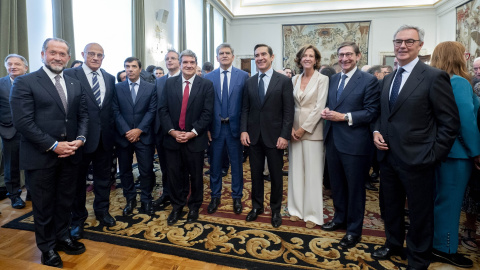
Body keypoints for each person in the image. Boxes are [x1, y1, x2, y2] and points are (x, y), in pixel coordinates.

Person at [373, 25, 460, 270]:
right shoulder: (389, 77)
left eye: (409, 42)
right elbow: (383, 114)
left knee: (420, 213)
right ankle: (392, 244)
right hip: (387, 158)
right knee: (389, 206)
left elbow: (449, 122)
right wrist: (377, 131)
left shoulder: (433, 76)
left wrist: (434, 155)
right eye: (398, 41)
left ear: (420, 46)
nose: (402, 46)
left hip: (419, 160)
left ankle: (418, 257)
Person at [10, 37, 89, 267]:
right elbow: (23, 122)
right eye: (53, 52)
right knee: (44, 206)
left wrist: (80, 140)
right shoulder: (25, 82)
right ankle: (47, 248)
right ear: (43, 54)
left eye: (63, 54)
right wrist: (54, 145)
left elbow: (83, 114)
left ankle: (63, 237)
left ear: (68, 57)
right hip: (41, 155)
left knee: (65, 200)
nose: (58, 57)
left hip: (71, 154)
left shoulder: (74, 82)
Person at [320, 41, 380, 248]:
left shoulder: (369, 80)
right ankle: (339, 219)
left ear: (358, 56)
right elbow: (331, 104)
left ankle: (354, 231)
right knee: (336, 185)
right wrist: (326, 112)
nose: (344, 59)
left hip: (355, 144)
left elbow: (372, 111)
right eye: (341, 55)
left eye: (348, 55)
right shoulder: (333, 79)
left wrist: (344, 116)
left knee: (355, 189)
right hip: (332, 141)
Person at [429, 41, 480, 268]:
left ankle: (434, 241)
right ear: (457, 56)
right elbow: (465, 121)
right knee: (450, 203)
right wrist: (476, 152)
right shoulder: (458, 82)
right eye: (463, 53)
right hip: (457, 153)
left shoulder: (431, 79)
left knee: (438, 199)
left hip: (435, 150)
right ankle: (444, 248)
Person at [63, 43, 117, 240]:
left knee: (104, 179)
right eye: (91, 54)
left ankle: (102, 212)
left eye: (99, 55)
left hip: (105, 139)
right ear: (83, 55)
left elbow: (110, 109)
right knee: (78, 182)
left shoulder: (110, 78)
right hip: (80, 139)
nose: (95, 58)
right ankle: (78, 218)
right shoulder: (70, 75)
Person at [241, 44, 294, 228]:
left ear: (272, 57)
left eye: (264, 54)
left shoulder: (284, 81)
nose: (260, 58)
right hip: (254, 137)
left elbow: (288, 111)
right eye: (257, 55)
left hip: (275, 137)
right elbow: (245, 109)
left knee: (276, 176)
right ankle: (256, 207)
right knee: (255, 174)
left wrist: (285, 135)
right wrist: (243, 130)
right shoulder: (249, 82)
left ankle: (276, 210)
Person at [159, 49, 214, 226]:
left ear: (196, 64)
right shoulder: (169, 84)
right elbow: (163, 110)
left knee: (196, 176)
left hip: (195, 140)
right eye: (185, 62)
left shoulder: (205, 85)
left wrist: (193, 132)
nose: (189, 65)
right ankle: (177, 206)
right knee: (175, 175)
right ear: (180, 64)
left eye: (192, 62)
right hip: (172, 139)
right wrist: (172, 131)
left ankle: (194, 206)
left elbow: (207, 113)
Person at [205, 43, 249, 215]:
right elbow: (206, 106)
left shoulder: (243, 76)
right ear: (217, 57)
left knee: (236, 165)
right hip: (215, 129)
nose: (224, 56)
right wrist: (207, 128)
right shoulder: (209, 78)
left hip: (235, 129)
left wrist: (245, 129)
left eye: (227, 53)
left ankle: (237, 197)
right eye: (221, 53)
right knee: (214, 165)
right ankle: (215, 196)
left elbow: (246, 106)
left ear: (233, 56)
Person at [287, 44, 328, 228]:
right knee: (295, 171)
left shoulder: (323, 79)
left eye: (311, 56)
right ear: (299, 59)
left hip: (312, 131)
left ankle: (312, 214)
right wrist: (289, 128)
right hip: (293, 131)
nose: (307, 58)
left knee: (312, 173)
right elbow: (289, 105)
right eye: (304, 55)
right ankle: (296, 209)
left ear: (316, 59)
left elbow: (319, 107)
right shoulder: (294, 79)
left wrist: (303, 128)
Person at [113, 57, 157, 216]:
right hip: (123, 137)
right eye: (127, 66)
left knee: (146, 171)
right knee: (125, 171)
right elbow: (115, 111)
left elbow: (152, 111)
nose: (130, 69)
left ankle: (146, 199)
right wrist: (127, 131)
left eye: (133, 66)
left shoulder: (151, 88)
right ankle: (130, 199)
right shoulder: (117, 88)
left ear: (140, 69)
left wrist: (138, 130)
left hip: (144, 136)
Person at [152, 49, 181, 209]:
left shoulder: (186, 79)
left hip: (178, 131)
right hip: (161, 132)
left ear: (179, 61)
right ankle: (167, 193)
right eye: (167, 58)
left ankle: (180, 194)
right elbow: (156, 106)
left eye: (173, 58)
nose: (169, 61)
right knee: (164, 166)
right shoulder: (159, 81)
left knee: (179, 167)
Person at [0, 54, 28, 209]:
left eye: (17, 63)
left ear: (25, 67)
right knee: (11, 166)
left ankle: (31, 192)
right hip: (9, 131)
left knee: (33, 163)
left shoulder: (33, 82)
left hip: (31, 132)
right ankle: (15, 196)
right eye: (9, 64)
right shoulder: (0, 84)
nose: (13, 66)